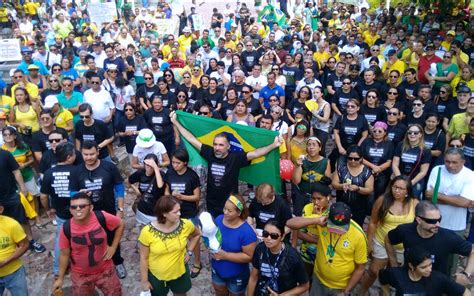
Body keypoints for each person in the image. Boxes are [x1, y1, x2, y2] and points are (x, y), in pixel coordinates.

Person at [171, 111, 281, 217]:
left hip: (230, 202)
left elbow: (256, 153)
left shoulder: (236, 157)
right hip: (211, 202)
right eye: (215, 144)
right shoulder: (209, 152)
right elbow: (191, 138)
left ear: (228, 146)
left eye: (221, 145)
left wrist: (273, 145)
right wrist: (176, 122)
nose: (217, 148)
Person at [71, 140, 127, 279]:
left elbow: (119, 187)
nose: (89, 157)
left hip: (108, 210)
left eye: (91, 154)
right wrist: (80, 193)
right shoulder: (77, 171)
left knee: (112, 236)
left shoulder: (109, 167)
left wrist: (120, 208)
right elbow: (71, 193)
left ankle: (117, 261)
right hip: (86, 214)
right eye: (85, 154)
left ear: (97, 152)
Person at [286, 202, 368, 295]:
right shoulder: (322, 221)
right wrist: (316, 220)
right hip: (318, 280)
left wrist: (346, 292)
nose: (337, 231)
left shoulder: (359, 235)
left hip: (341, 287)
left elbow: (360, 268)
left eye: (341, 229)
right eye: (333, 227)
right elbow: (290, 223)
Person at [53, 192, 125, 296]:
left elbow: (120, 224)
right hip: (80, 275)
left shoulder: (101, 216)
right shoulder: (66, 228)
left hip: (105, 270)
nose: (78, 209)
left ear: (91, 208)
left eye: (82, 206)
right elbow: (64, 254)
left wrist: (113, 247)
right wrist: (60, 278)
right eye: (73, 207)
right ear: (70, 210)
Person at [359, 176, 418, 295]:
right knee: (374, 270)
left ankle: (384, 291)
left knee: (393, 275)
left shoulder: (414, 203)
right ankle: (362, 292)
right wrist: (369, 243)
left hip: (402, 246)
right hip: (382, 241)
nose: (397, 191)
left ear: (407, 191)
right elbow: (373, 222)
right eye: (395, 187)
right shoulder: (383, 200)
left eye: (401, 188)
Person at [385, 201, 474, 280]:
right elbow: (388, 239)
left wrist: (466, 274)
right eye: (432, 221)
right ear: (419, 220)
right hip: (408, 280)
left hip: (436, 285)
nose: (437, 224)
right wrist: (394, 264)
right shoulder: (405, 231)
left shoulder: (447, 237)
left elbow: (472, 250)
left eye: (439, 219)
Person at [138, 195, 201, 295]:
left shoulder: (185, 224)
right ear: (164, 214)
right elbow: (143, 258)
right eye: (175, 212)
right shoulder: (147, 232)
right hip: (157, 276)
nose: (179, 214)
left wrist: (189, 252)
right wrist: (144, 281)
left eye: (179, 210)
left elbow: (197, 235)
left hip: (180, 272)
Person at [425, 148, 474, 274]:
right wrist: (457, 199)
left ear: (463, 162)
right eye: (447, 161)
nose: (450, 165)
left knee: (450, 263)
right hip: (434, 222)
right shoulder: (438, 170)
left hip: (456, 226)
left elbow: (465, 202)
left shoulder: (470, 175)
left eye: (454, 162)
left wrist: (439, 195)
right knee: (430, 258)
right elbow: (429, 196)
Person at [39, 142, 78, 276]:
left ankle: (57, 269)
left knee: (60, 241)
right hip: (79, 211)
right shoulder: (77, 170)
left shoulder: (49, 173)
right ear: (69, 157)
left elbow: (44, 196)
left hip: (61, 213)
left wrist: (48, 209)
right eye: (73, 154)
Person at [164, 148, 202, 278]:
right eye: (173, 162)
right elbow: (167, 190)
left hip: (189, 212)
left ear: (185, 163)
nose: (175, 165)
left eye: (178, 163)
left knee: (193, 237)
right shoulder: (169, 174)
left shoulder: (192, 176)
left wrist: (181, 197)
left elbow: (197, 197)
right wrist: (169, 198)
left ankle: (197, 262)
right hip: (174, 213)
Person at [246, 219, 310, 296]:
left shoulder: (293, 257)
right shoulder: (260, 248)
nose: (268, 238)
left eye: (274, 236)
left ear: (282, 237)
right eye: (265, 234)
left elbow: (305, 286)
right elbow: (253, 277)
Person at [211, 195, 258, 296]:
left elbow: (249, 257)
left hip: (237, 275)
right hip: (217, 270)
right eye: (225, 208)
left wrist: (225, 256)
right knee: (219, 291)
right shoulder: (219, 219)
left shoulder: (247, 232)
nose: (225, 212)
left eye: (230, 211)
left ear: (239, 213)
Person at [379, 246, 470, 296]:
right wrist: (387, 293)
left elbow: (466, 293)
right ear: (411, 266)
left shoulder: (438, 279)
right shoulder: (396, 274)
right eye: (423, 267)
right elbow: (382, 276)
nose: (429, 269)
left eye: (430, 264)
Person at [332, 145, 374, 227]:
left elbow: (369, 189)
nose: (353, 161)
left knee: (356, 226)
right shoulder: (341, 168)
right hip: (342, 204)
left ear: (361, 158)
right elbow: (334, 183)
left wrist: (358, 188)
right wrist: (342, 186)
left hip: (359, 206)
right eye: (350, 158)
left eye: (356, 159)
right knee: (340, 225)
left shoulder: (366, 172)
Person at [291, 136, 331, 216]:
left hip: (317, 198)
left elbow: (327, 181)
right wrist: (298, 166)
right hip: (302, 195)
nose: (311, 147)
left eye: (314, 145)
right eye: (309, 145)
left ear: (320, 148)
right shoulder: (302, 161)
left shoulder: (325, 162)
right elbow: (296, 181)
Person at [392, 124, 431, 199]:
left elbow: (423, 172)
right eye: (410, 132)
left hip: (415, 181)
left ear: (420, 134)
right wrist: (400, 180)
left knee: (411, 203)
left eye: (415, 133)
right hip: (399, 178)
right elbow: (395, 164)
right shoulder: (400, 145)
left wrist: (410, 183)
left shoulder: (426, 150)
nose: (412, 134)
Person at [0, 200, 29, 296]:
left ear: (1, 209)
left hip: (14, 272)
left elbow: (24, 245)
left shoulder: (11, 224)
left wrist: (5, 262)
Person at [128, 153, 166, 225]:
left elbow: (160, 185)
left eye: (151, 166)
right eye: (147, 165)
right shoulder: (140, 173)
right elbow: (130, 181)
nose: (149, 167)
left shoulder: (160, 174)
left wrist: (156, 168)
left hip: (156, 209)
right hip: (143, 208)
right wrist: (136, 189)